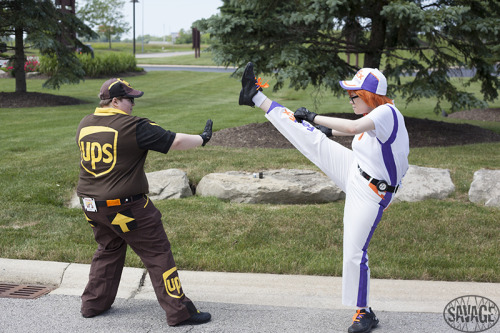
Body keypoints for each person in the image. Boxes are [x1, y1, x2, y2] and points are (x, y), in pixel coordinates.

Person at [239, 63, 409, 333]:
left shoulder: (387, 112)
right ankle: (256, 97)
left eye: (354, 95)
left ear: (369, 96)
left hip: (371, 192)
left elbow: (355, 128)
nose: (350, 99)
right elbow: (359, 131)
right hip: (357, 170)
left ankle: (363, 313)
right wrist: (324, 130)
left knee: (354, 253)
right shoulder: (377, 114)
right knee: (310, 137)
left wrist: (317, 117)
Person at [76, 78, 212, 326]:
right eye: (130, 100)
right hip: (125, 207)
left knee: (108, 250)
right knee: (157, 252)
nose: (133, 105)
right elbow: (175, 141)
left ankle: (92, 304)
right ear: (115, 101)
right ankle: (179, 311)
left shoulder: (85, 123)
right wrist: (203, 138)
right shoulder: (133, 126)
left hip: (91, 206)